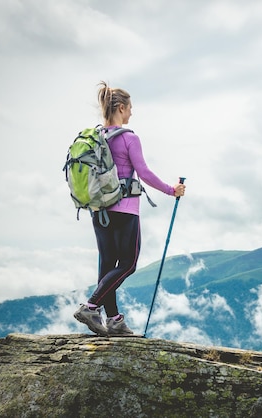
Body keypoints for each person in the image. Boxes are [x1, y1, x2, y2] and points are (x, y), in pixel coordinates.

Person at [74, 81, 186, 336]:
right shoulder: (129, 138)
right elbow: (143, 172)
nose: (132, 113)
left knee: (107, 266)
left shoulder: (95, 138)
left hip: (98, 209)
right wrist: (171, 190)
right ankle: (91, 306)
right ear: (121, 108)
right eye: (130, 108)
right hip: (124, 209)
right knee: (128, 263)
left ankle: (113, 320)